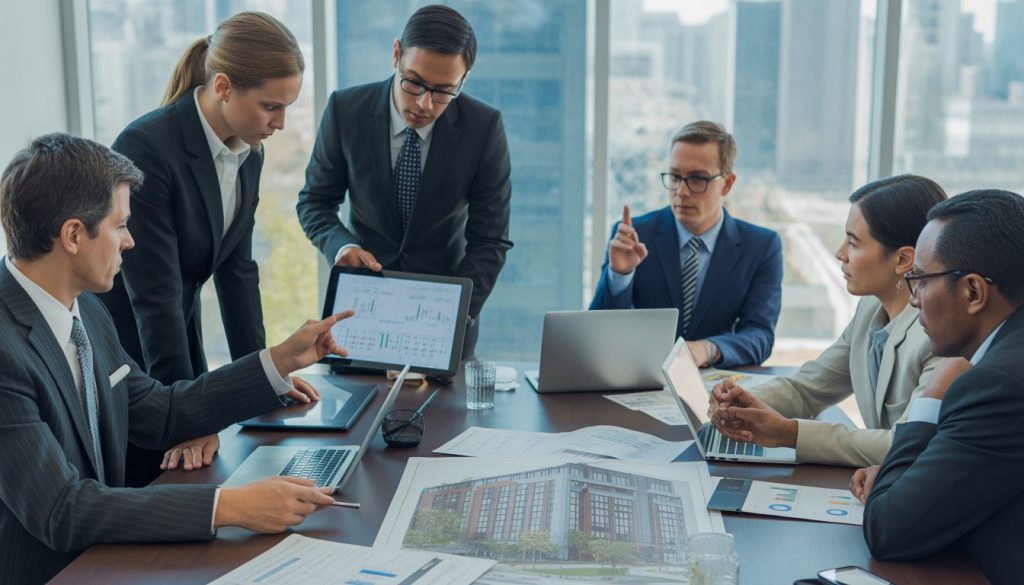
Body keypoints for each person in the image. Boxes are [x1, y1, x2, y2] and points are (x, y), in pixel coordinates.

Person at [0, 134, 354, 585]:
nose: (130, 241)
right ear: (73, 235)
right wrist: (229, 506)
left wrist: (281, 359)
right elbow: (61, 510)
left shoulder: (84, 308)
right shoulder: (6, 350)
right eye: (120, 225)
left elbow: (160, 413)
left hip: (107, 560)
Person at [95, 12, 313, 486]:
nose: (280, 123)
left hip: (177, 333)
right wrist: (184, 419)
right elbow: (154, 297)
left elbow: (238, 274)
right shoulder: (147, 147)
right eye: (270, 106)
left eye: (287, 107)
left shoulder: (248, 151)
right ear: (222, 87)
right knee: (161, 486)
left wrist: (263, 379)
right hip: (131, 350)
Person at [296, 4, 512, 358]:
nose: (425, 104)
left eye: (443, 91)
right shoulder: (345, 110)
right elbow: (314, 202)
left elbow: (490, 240)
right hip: (360, 313)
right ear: (396, 54)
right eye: (414, 82)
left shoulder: (483, 128)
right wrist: (342, 247)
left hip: (445, 322)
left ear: (464, 79)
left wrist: (456, 315)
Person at [707, 175, 970, 467]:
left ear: (902, 260)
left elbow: (905, 443)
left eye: (854, 243)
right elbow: (807, 389)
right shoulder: (870, 308)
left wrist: (790, 434)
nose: (840, 253)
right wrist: (738, 401)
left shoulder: (940, 337)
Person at [847, 190, 1024, 585]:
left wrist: (931, 397)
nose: (913, 301)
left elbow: (889, 530)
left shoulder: (997, 386)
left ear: (974, 292)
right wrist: (915, 480)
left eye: (921, 281)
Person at [589, 121, 782, 368]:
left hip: (715, 390)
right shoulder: (633, 236)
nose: (681, 191)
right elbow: (599, 336)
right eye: (675, 177)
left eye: (698, 179)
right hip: (640, 381)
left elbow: (760, 336)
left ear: (728, 183)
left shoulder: (762, 247)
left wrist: (707, 349)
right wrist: (620, 274)